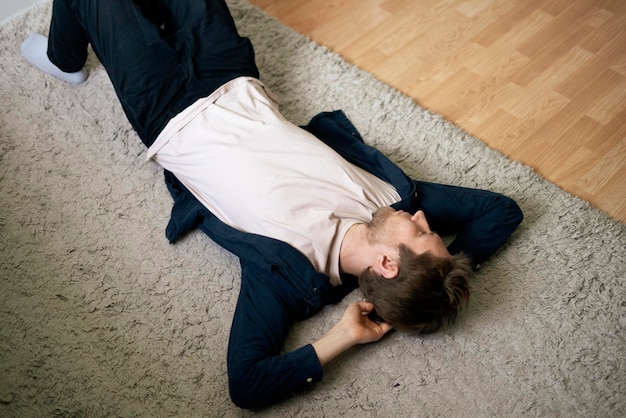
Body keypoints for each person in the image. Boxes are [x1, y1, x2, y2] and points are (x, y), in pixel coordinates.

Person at [21, 0, 523, 409]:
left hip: (166, 109)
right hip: (234, 77)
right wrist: (429, 287)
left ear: (388, 263)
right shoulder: (389, 202)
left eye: (419, 233)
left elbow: (247, 384)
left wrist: (342, 339)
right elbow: (502, 210)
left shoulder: (287, 278)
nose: (421, 217)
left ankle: (67, 59)